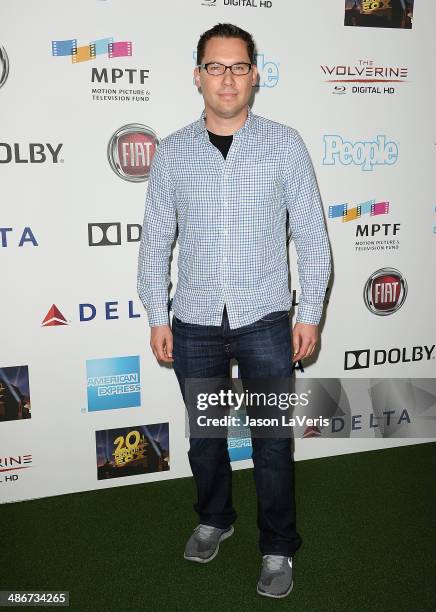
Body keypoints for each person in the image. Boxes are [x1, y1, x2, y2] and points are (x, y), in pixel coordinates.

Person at [137, 22, 331, 599]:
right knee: (206, 437)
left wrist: (311, 311)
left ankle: (277, 547)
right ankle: (215, 518)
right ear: (198, 75)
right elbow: (154, 241)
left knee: (273, 440)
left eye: (238, 66)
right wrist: (157, 313)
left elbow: (313, 237)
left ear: (255, 74)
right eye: (216, 66)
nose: (227, 78)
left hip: (267, 318)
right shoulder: (172, 152)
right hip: (193, 321)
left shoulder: (284, 144)